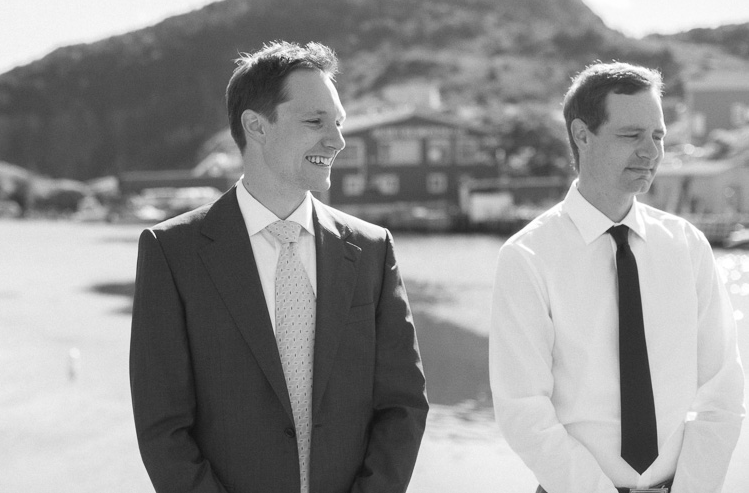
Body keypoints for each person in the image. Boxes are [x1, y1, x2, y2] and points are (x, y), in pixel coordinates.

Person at [130, 40, 428, 493]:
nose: (338, 140)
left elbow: (403, 405)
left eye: (339, 123)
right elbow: (163, 425)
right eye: (315, 121)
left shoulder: (372, 250)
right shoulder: (171, 253)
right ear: (257, 126)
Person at [489, 62, 744, 493]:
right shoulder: (527, 257)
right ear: (582, 135)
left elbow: (721, 391)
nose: (651, 152)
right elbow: (523, 409)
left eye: (658, 135)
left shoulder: (688, 246)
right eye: (632, 135)